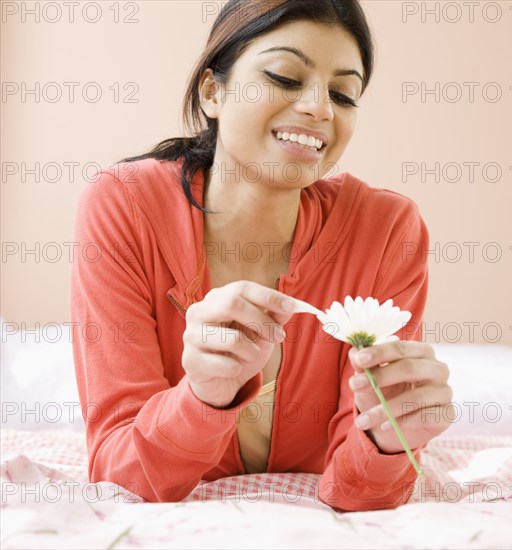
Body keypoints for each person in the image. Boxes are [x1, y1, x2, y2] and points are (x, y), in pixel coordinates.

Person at [71, 0, 454, 512]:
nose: (321, 108)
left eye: (343, 93)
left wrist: (389, 441)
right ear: (213, 92)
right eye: (284, 77)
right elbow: (120, 472)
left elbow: (357, 490)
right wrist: (202, 397)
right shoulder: (125, 205)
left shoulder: (387, 230)